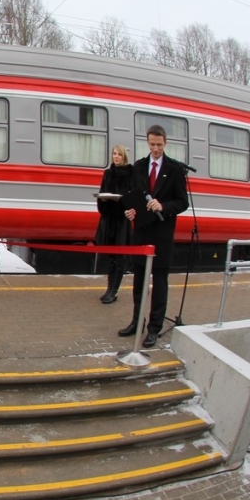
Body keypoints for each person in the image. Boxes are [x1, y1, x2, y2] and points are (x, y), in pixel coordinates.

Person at [118, 125, 189, 348]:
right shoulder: (138, 167)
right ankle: (137, 322)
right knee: (139, 283)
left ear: (165, 143)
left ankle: (154, 329)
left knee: (159, 284)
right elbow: (133, 197)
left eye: (159, 145)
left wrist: (164, 205)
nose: (155, 149)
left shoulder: (175, 169)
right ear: (147, 143)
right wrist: (130, 211)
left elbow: (182, 203)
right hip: (140, 233)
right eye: (152, 145)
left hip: (162, 236)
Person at [94, 144, 136, 305]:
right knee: (111, 257)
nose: (116, 156)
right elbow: (102, 193)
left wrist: (123, 201)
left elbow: (133, 198)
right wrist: (103, 200)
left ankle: (114, 291)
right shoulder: (108, 173)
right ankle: (109, 288)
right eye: (114, 154)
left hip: (122, 220)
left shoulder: (131, 174)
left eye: (119, 154)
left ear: (124, 156)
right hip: (108, 219)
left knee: (120, 257)